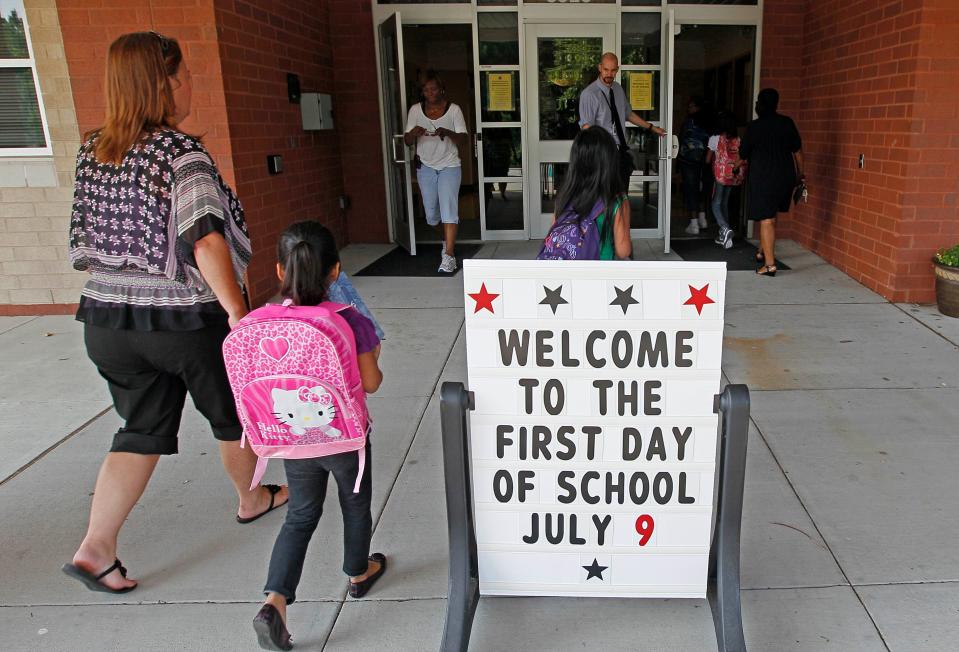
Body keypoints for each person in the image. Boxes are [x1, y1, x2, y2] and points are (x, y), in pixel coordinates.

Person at [61, 32, 288, 594]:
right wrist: (237, 311)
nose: (190, 85)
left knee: (140, 428)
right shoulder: (179, 155)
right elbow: (205, 240)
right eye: (184, 76)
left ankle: (96, 547)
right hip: (183, 320)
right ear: (162, 84)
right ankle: (251, 497)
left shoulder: (94, 149)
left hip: (107, 321)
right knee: (234, 416)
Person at [251, 222, 385, 652]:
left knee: (301, 516)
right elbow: (372, 383)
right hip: (344, 438)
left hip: (293, 440)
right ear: (336, 271)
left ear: (278, 271)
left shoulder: (266, 323)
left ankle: (275, 600)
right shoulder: (349, 320)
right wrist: (372, 355)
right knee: (354, 504)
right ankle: (358, 571)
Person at [403, 70, 468, 274]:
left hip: (449, 165)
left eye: (433, 88)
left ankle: (448, 256)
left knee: (449, 211)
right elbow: (406, 140)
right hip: (426, 167)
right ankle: (446, 239)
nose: (430, 92)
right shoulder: (415, 110)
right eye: (425, 89)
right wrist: (413, 133)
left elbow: (463, 139)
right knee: (431, 216)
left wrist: (447, 132)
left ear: (441, 89)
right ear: (422, 92)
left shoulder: (454, 109)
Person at [579, 52, 666, 194]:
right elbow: (586, 128)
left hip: (620, 153)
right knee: (605, 200)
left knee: (622, 200)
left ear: (617, 70)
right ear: (600, 67)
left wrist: (651, 127)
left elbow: (628, 114)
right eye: (606, 69)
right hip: (603, 155)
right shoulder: (590, 94)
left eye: (613, 70)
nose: (609, 74)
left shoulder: (618, 89)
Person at [739, 88, 805, 276]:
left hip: (763, 177)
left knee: (766, 219)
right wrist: (801, 174)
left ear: (760, 104)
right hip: (785, 176)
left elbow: (743, 155)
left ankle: (769, 265)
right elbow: (798, 152)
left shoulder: (755, 127)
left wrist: (734, 166)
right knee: (771, 214)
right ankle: (762, 251)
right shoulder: (787, 123)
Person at [548, 126, 632, 261]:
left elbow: (553, 235)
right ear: (609, 160)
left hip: (568, 274)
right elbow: (623, 251)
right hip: (599, 275)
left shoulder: (565, 195)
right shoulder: (617, 200)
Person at [706, 110, 747, 249]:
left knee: (715, 203)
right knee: (724, 203)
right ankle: (724, 237)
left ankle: (725, 228)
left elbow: (708, 158)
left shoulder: (715, 138)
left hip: (721, 175)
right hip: (733, 174)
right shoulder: (737, 139)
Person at [678, 97, 710, 235]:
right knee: (702, 189)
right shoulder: (708, 123)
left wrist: (677, 163)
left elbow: (681, 140)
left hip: (689, 161)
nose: (688, 109)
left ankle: (694, 224)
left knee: (691, 190)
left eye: (691, 106)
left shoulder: (688, 123)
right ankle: (703, 219)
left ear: (697, 108)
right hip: (705, 160)